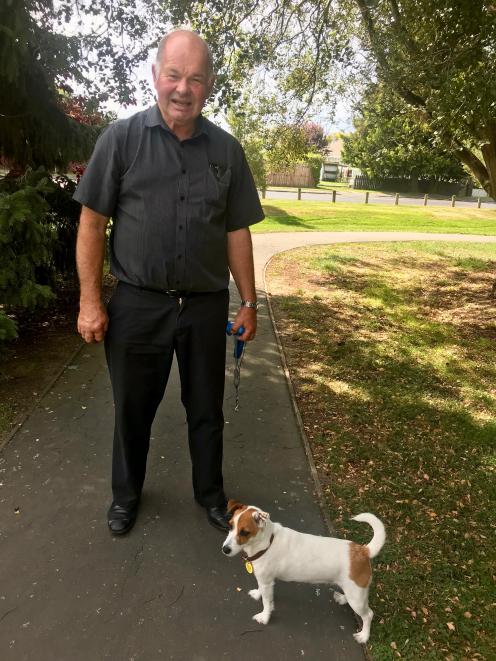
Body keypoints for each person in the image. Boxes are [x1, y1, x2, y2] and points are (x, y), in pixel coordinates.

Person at [73, 29, 264, 536]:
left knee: (206, 410)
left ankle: (211, 496)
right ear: (156, 76)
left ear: (209, 86)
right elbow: (92, 222)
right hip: (137, 304)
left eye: (195, 78)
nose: (183, 88)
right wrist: (90, 301)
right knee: (132, 409)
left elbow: (236, 229)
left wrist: (248, 302)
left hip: (203, 306)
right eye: (174, 75)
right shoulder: (121, 140)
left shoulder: (227, 151)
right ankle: (125, 496)